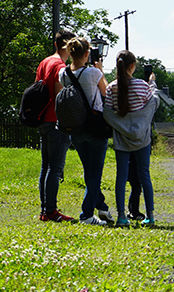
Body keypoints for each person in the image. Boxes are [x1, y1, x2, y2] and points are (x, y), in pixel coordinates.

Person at [57, 38, 114, 226]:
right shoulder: (92, 73)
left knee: (89, 170)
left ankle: (102, 206)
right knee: (95, 172)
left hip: (75, 127)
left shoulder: (63, 73)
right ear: (87, 54)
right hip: (95, 126)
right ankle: (87, 214)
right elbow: (106, 93)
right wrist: (101, 71)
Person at [103, 50, 159, 227]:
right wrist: (153, 84)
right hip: (142, 138)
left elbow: (107, 111)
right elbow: (151, 105)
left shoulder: (111, 87)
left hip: (121, 139)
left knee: (121, 176)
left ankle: (121, 216)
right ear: (132, 66)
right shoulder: (143, 86)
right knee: (145, 175)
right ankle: (150, 216)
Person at [35, 29, 75, 222]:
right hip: (56, 121)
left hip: (43, 119)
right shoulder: (60, 66)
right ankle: (50, 210)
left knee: (46, 166)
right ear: (69, 45)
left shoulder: (45, 62)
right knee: (55, 168)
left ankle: (45, 209)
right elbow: (62, 96)